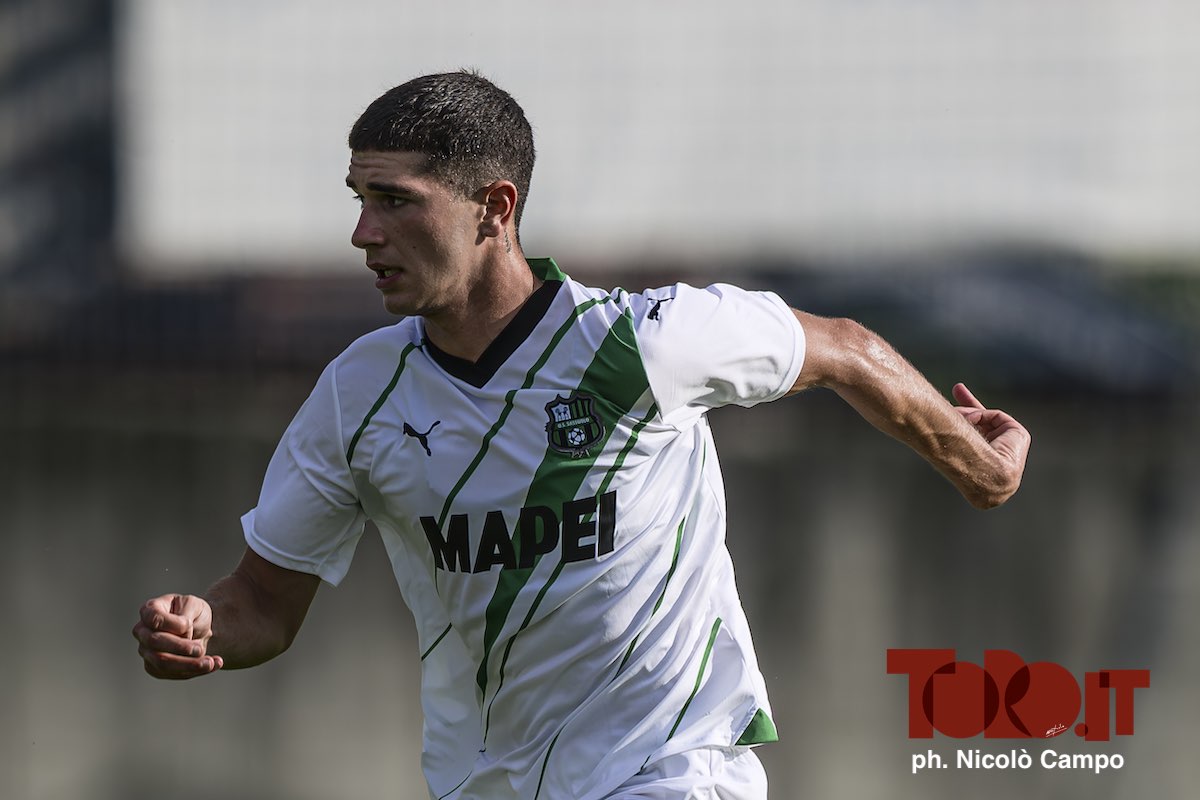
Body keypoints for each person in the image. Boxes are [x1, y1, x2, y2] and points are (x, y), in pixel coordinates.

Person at [132, 70, 1030, 799]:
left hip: (672, 774)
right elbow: (263, 604)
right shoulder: (357, 394)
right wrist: (205, 625)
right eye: (359, 198)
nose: (364, 233)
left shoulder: (643, 345)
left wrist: (978, 466)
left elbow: (843, 348)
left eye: (396, 202)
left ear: (495, 207)